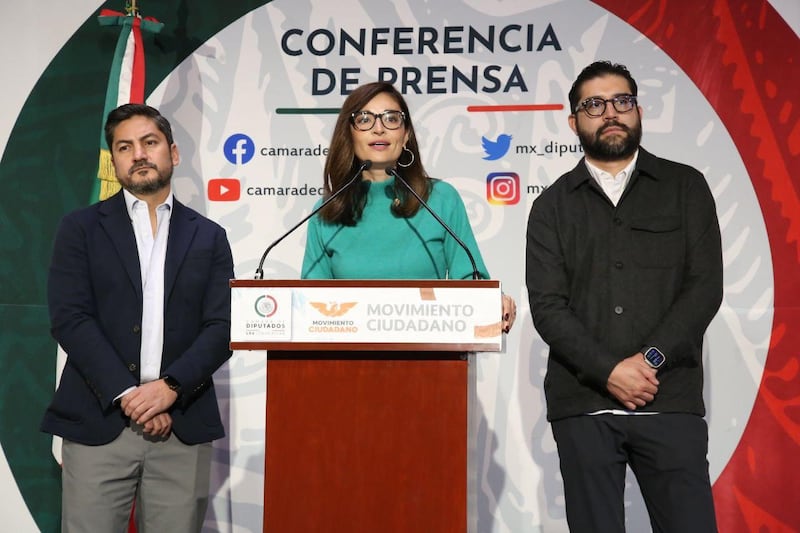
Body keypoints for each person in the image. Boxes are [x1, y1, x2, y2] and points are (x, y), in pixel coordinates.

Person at [525, 61, 722, 532]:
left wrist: (648, 360)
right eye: (593, 104)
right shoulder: (550, 206)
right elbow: (549, 308)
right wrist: (610, 371)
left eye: (622, 101)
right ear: (573, 122)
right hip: (584, 405)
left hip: (668, 397)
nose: (609, 112)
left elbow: (704, 288)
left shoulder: (684, 186)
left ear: (639, 111)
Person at [42, 103, 234, 532]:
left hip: (181, 425)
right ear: (115, 161)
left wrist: (171, 389)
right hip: (99, 420)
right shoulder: (80, 229)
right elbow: (70, 318)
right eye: (124, 147)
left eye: (149, 142)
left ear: (173, 152)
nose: (139, 154)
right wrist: (131, 395)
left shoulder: (209, 236)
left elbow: (222, 327)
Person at [301, 81, 515, 329]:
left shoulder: (440, 199)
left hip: (429, 359)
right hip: (343, 362)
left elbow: (470, 279)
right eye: (365, 119)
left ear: (406, 135)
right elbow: (309, 301)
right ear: (349, 133)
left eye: (391, 119)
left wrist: (491, 301)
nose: (378, 129)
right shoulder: (327, 210)